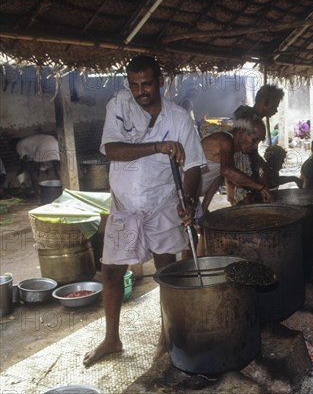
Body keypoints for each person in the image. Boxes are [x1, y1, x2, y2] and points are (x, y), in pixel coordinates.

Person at [83, 55, 205, 367]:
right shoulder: (119, 106)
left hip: (162, 202)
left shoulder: (178, 118)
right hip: (125, 205)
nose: (141, 91)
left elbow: (192, 167)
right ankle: (112, 338)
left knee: (165, 271)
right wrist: (157, 146)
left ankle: (167, 336)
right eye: (135, 85)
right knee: (111, 271)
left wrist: (188, 201)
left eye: (147, 83)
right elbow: (112, 150)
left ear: (160, 81)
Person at [199, 113, 275, 207]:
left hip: (191, 195)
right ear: (241, 133)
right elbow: (226, 171)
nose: (255, 146)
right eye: (254, 140)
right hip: (178, 191)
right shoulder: (224, 140)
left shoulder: (232, 152)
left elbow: (217, 178)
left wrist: (204, 207)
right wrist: (260, 187)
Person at [230, 84, 284, 203]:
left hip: (248, 179)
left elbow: (252, 152)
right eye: (275, 105)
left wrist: (263, 166)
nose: (276, 110)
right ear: (265, 102)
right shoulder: (246, 117)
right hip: (240, 178)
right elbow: (239, 155)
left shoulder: (255, 120)